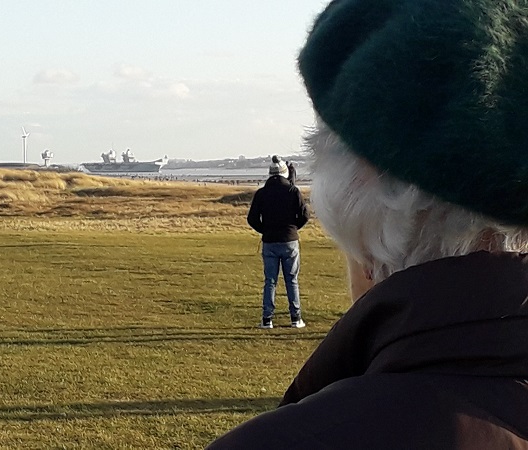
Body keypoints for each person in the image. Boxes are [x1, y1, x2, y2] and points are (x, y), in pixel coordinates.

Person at [208, 0, 528, 448]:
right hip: (290, 244)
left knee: (272, 285)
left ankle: (274, 316)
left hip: (272, 246)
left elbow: (254, 217)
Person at [247, 155, 310, 329]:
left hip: (269, 241)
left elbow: (252, 218)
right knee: (292, 280)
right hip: (290, 240)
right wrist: (293, 228)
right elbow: (305, 215)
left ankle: (267, 319)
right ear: (285, 173)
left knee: (270, 281)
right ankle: (295, 318)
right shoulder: (293, 191)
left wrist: (264, 229)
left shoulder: (262, 193)